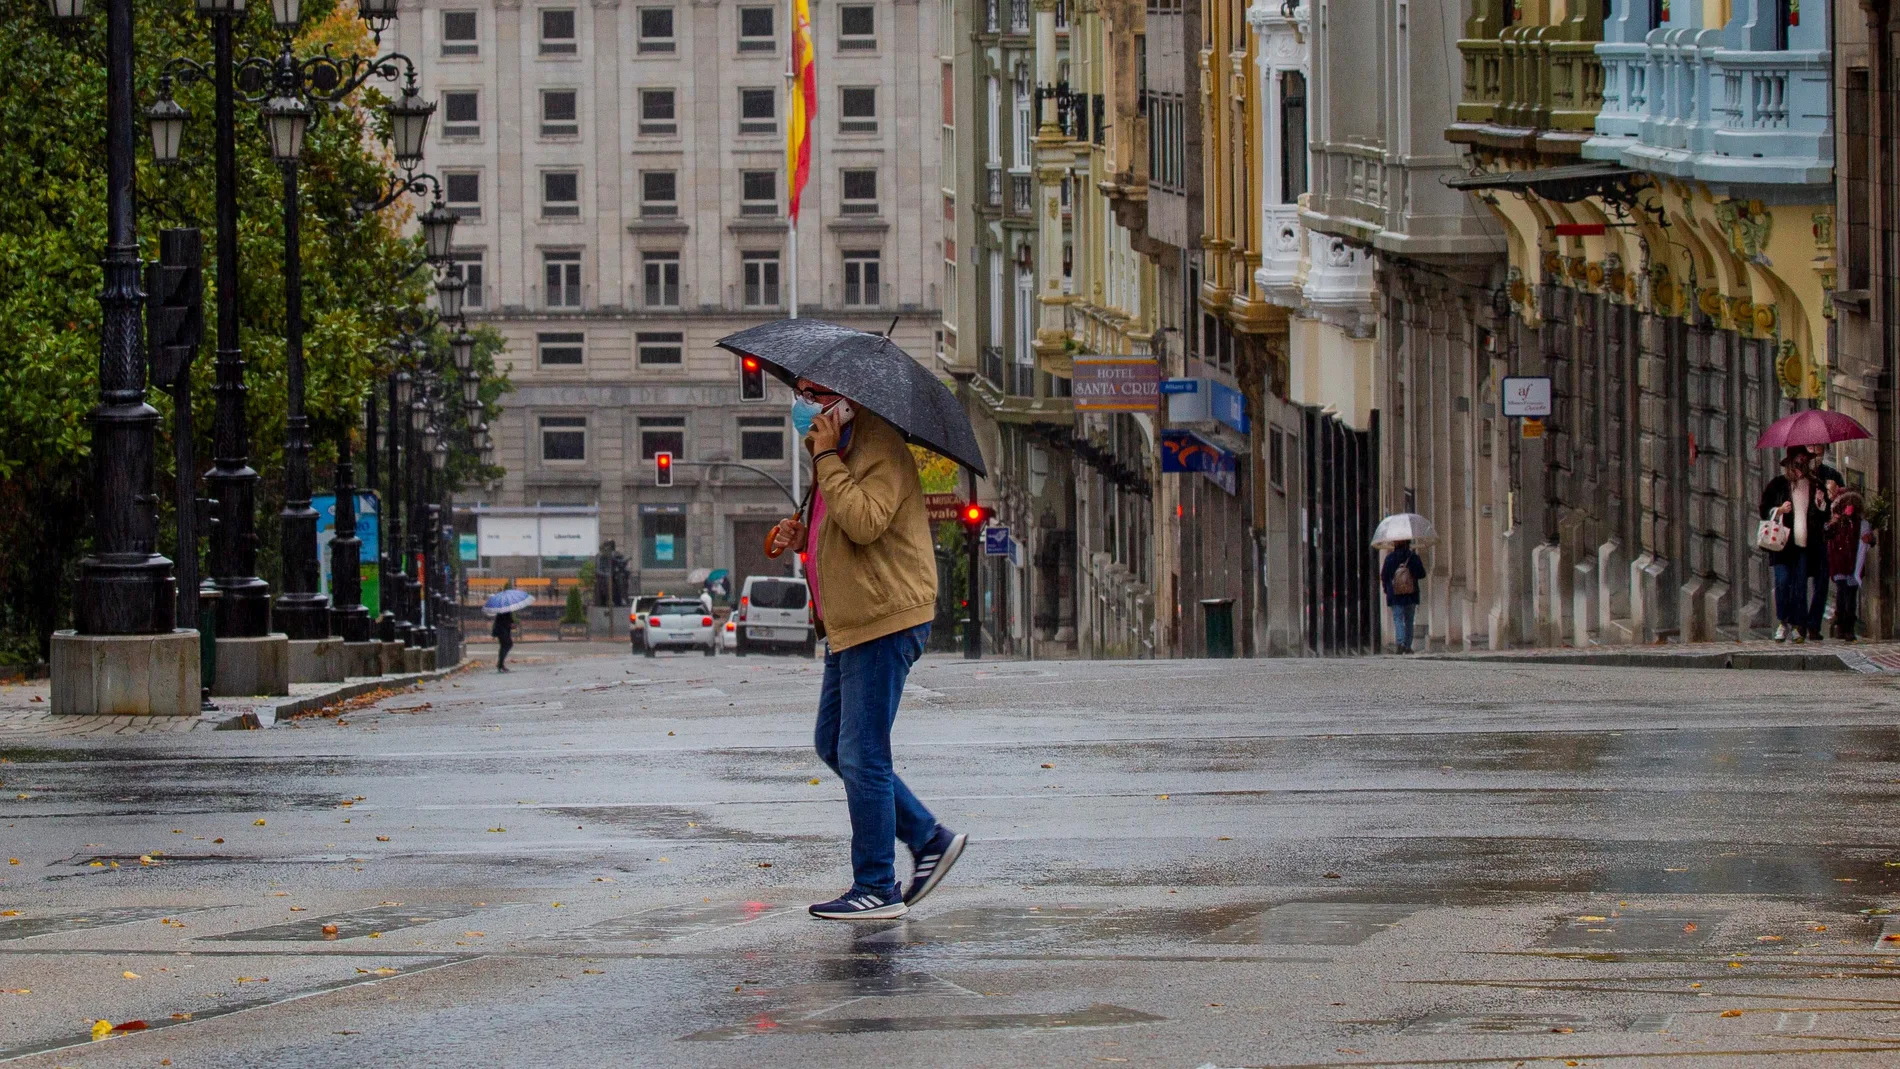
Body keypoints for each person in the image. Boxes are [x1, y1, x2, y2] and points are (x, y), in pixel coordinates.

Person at [766, 377, 966, 920]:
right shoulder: (842, 445)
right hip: (852, 623)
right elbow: (838, 519)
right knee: (835, 744)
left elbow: (864, 521)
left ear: (847, 397)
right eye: (801, 391)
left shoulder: (878, 447)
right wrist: (801, 533)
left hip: (883, 618)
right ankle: (927, 838)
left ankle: (877, 885)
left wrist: (826, 455)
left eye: (814, 393)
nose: (803, 404)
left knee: (863, 752)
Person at [1760, 449, 1830, 643]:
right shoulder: (1778, 485)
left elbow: (1825, 515)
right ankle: (1783, 622)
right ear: (1789, 464)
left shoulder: (1815, 484)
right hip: (1783, 545)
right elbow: (1764, 509)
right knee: (1782, 582)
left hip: (1806, 544)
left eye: (1804, 464)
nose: (1800, 469)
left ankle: (1800, 625)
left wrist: (1821, 502)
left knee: (1799, 586)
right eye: (1797, 464)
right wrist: (1779, 510)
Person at [1825, 475, 1873, 641]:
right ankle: (1841, 624)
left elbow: (1868, 539)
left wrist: (1870, 539)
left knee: (1850, 597)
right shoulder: (1837, 522)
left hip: (1853, 565)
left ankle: (1849, 627)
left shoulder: (1861, 523)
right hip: (1839, 564)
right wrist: (1832, 522)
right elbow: (1827, 534)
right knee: (1842, 594)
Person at [1381, 539, 1426, 654]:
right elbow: (1422, 574)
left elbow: (1384, 576)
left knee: (1398, 619)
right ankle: (1407, 645)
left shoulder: (1390, 558)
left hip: (1395, 595)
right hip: (1411, 594)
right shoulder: (1413, 557)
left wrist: (1387, 590)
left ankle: (1400, 643)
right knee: (1409, 620)